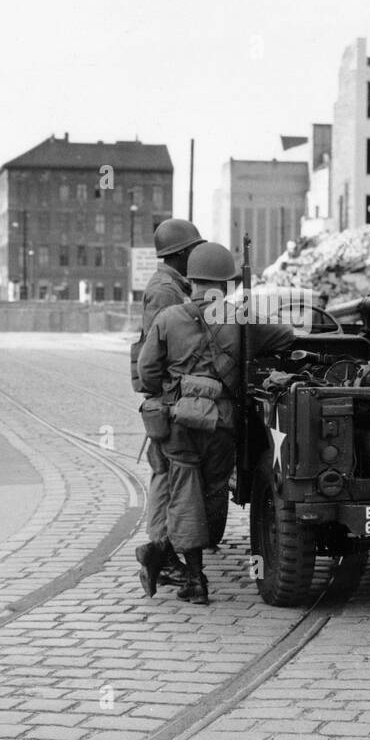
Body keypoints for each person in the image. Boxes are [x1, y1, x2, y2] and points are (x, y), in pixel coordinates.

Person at [137, 241, 295, 603]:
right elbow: (286, 336)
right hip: (222, 426)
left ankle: (193, 577)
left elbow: (147, 374)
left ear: (190, 280)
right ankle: (169, 558)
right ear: (227, 284)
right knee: (210, 494)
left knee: (183, 494)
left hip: (178, 423)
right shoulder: (238, 320)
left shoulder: (168, 318)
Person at [130, 217, 204, 596]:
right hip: (166, 397)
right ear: (179, 254)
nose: (197, 255)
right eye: (193, 250)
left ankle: (160, 549)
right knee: (168, 474)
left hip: (165, 395)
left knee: (166, 472)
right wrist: (166, 398)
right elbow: (156, 352)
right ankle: (160, 549)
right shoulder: (165, 291)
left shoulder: (173, 286)